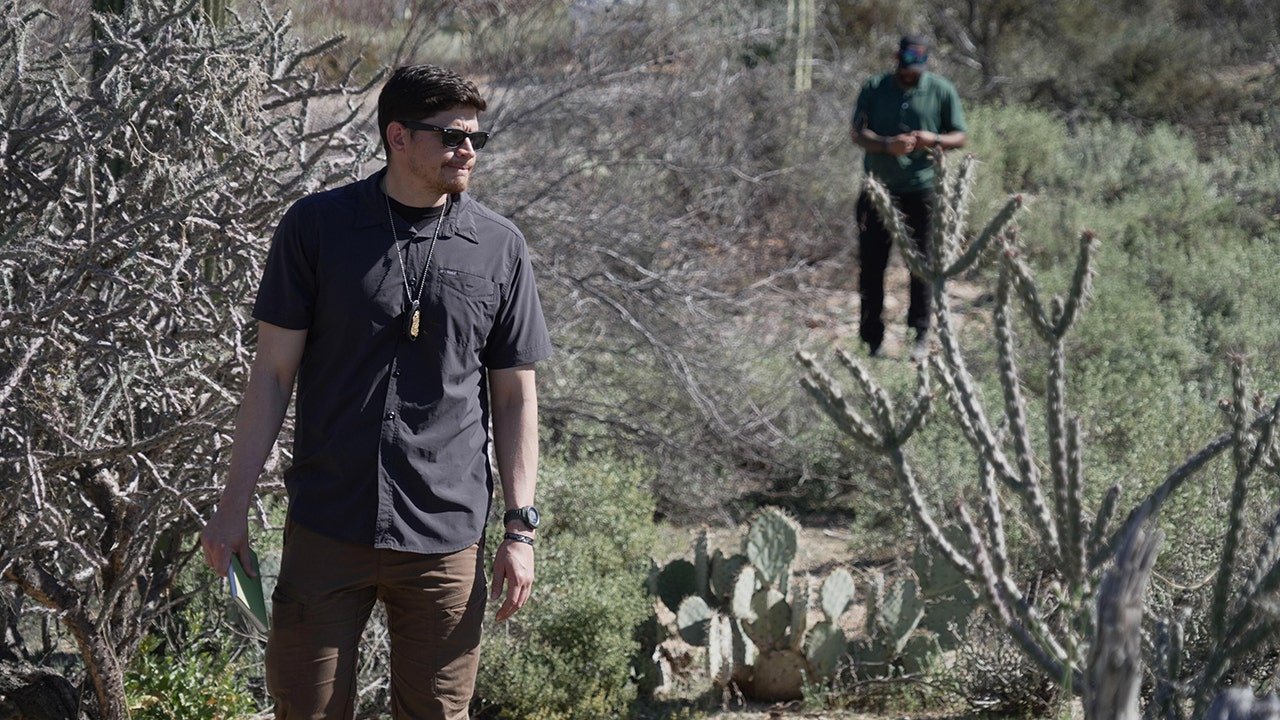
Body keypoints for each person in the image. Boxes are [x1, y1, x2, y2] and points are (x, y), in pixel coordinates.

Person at [200, 64, 553, 719]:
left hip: (445, 533)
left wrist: (520, 529)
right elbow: (272, 375)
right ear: (397, 136)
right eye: (451, 136)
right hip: (328, 522)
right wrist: (232, 507)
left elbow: (515, 398)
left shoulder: (499, 247)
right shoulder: (317, 227)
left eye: (475, 138)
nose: (467, 151)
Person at [850, 34, 967, 359]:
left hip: (923, 190)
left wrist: (933, 140)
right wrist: (888, 145)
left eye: (917, 64)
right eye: (906, 63)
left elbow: (960, 136)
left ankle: (919, 334)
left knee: (922, 267)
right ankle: (871, 339)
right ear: (896, 58)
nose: (911, 70)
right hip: (878, 189)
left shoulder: (941, 90)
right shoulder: (874, 87)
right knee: (872, 267)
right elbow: (857, 133)